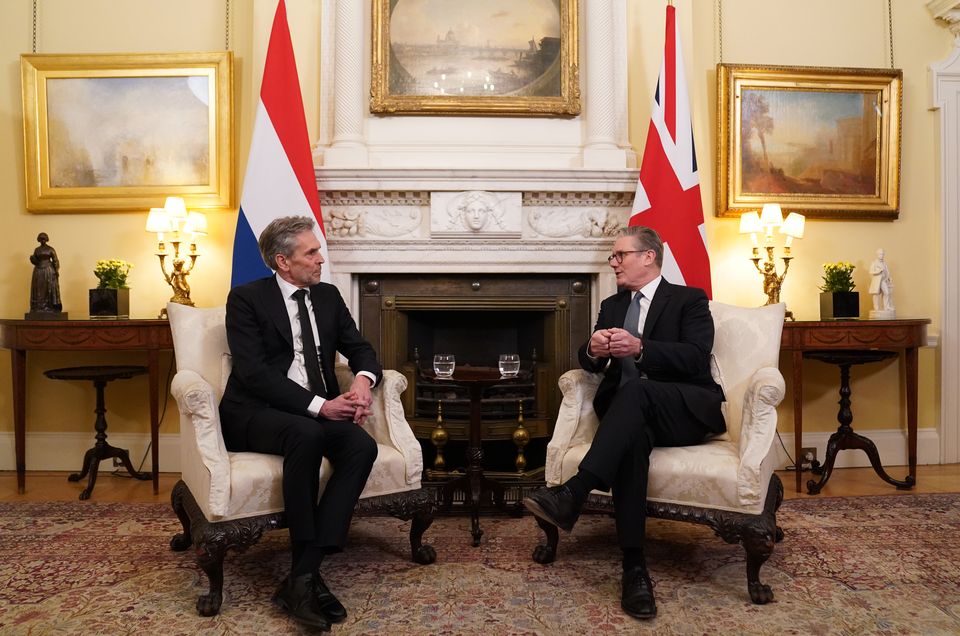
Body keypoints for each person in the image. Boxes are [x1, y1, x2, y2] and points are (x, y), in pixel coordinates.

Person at [523, 226, 724, 620]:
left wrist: (642, 347)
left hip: (682, 408)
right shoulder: (613, 305)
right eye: (613, 257)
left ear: (648, 256)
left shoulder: (689, 299)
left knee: (637, 393)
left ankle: (575, 489)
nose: (613, 262)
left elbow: (696, 358)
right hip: (629, 415)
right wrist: (592, 350)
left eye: (620, 255)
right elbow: (589, 358)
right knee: (632, 442)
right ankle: (634, 568)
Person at [219, 215, 381, 631]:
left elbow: (360, 348)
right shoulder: (246, 299)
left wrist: (362, 384)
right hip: (254, 411)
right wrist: (321, 407)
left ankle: (303, 575)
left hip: (312, 409)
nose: (321, 259)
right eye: (311, 252)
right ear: (283, 261)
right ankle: (305, 578)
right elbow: (254, 374)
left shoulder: (327, 296)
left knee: (360, 446)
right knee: (307, 432)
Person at [29, 232, 63, 314]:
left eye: (44, 239)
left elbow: (55, 260)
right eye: (41, 239)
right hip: (39, 271)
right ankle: (38, 307)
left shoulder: (50, 249)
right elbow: (36, 260)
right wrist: (33, 259)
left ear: (46, 239)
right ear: (39, 240)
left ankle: (50, 306)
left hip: (48, 270)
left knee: (49, 287)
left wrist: (56, 270)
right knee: (39, 288)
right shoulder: (37, 250)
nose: (42, 240)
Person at [869, 248, 894, 313]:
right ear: (877, 255)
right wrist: (878, 271)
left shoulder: (884, 263)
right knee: (876, 294)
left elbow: (887, 271)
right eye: (880, 254)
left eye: (883, 254)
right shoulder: (874, 263)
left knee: (887, 293)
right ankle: (876, 308)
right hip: (877, 281)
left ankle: (886, 307)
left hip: (883, 281)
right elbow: (871, 271)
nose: (882, 255)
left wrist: (889, 278)